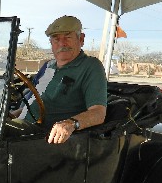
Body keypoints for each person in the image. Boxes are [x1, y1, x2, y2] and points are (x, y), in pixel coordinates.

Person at [23, 15, 107, 144]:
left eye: (67, 37)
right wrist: (11, 114)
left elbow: (98, 113)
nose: (62, 43)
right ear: (51, 43)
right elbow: (33, 102)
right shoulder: (47, 66)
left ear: (81, 39)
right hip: (22, 126)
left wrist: (71, 123)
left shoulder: (91, 66)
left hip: (44, 137)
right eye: (56, 39)